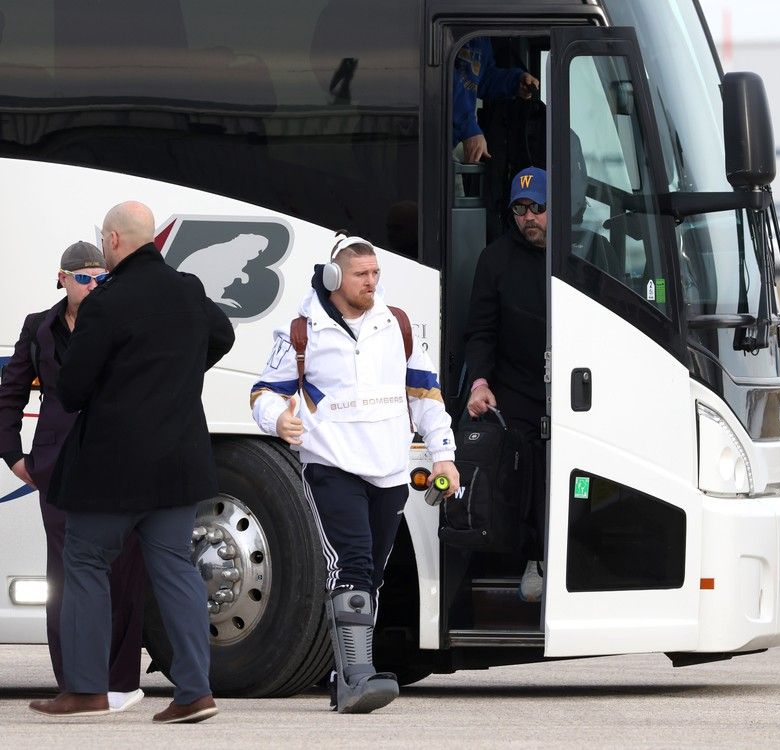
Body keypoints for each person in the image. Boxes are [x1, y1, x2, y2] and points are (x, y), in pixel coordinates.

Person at [28, 202, 235, 723]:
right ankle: (193, 691)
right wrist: (179, 374)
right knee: (175, 568)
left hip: (112, 467)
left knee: (85, 562)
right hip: (178, 463)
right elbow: (222, 336)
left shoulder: (106, 302)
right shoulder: (187, 288)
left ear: (115, 241)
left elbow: (71, 389)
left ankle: (86, 689)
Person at [250, 232, 459, 714]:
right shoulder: (303, 332)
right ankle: (359, 676)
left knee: (373, 575)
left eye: (376, 274)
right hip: (331, 465)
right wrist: (278, 419)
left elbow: (425, 393)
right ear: (334, 276)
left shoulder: (397, 325)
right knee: (354, 564)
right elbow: (264, 391)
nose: (372, 282)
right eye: (362, 274)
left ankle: (344, 672)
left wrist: (442, 452)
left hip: (389, 470)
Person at [0, 242, 146, 712]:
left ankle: (120, 681)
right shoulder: (37, 326)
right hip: (57, 464)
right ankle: (75, 684)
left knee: (123, 568)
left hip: (115, 460)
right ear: (62, 278)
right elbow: (10, 393)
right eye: (84, 277)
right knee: (63, 574)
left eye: (101, 277)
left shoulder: (122, 321)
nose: (93, 284)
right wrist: (14, 456)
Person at [465, 166, 548, 601]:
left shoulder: (588, 251)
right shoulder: (495, 259)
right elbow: (481, 331)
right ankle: (534, 556)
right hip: (516, 388)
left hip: (575, 384)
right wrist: (480, 382)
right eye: (520, 209)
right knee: (525, 469)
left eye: (538, 208)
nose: (529, 217)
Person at [453, 37, 539, 164]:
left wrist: (516, 82)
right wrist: (469, 128)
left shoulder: (482, 38)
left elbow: (482, 78)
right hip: (429, 136)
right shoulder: (453, 27)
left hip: (451, 139)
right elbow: (443, 79)